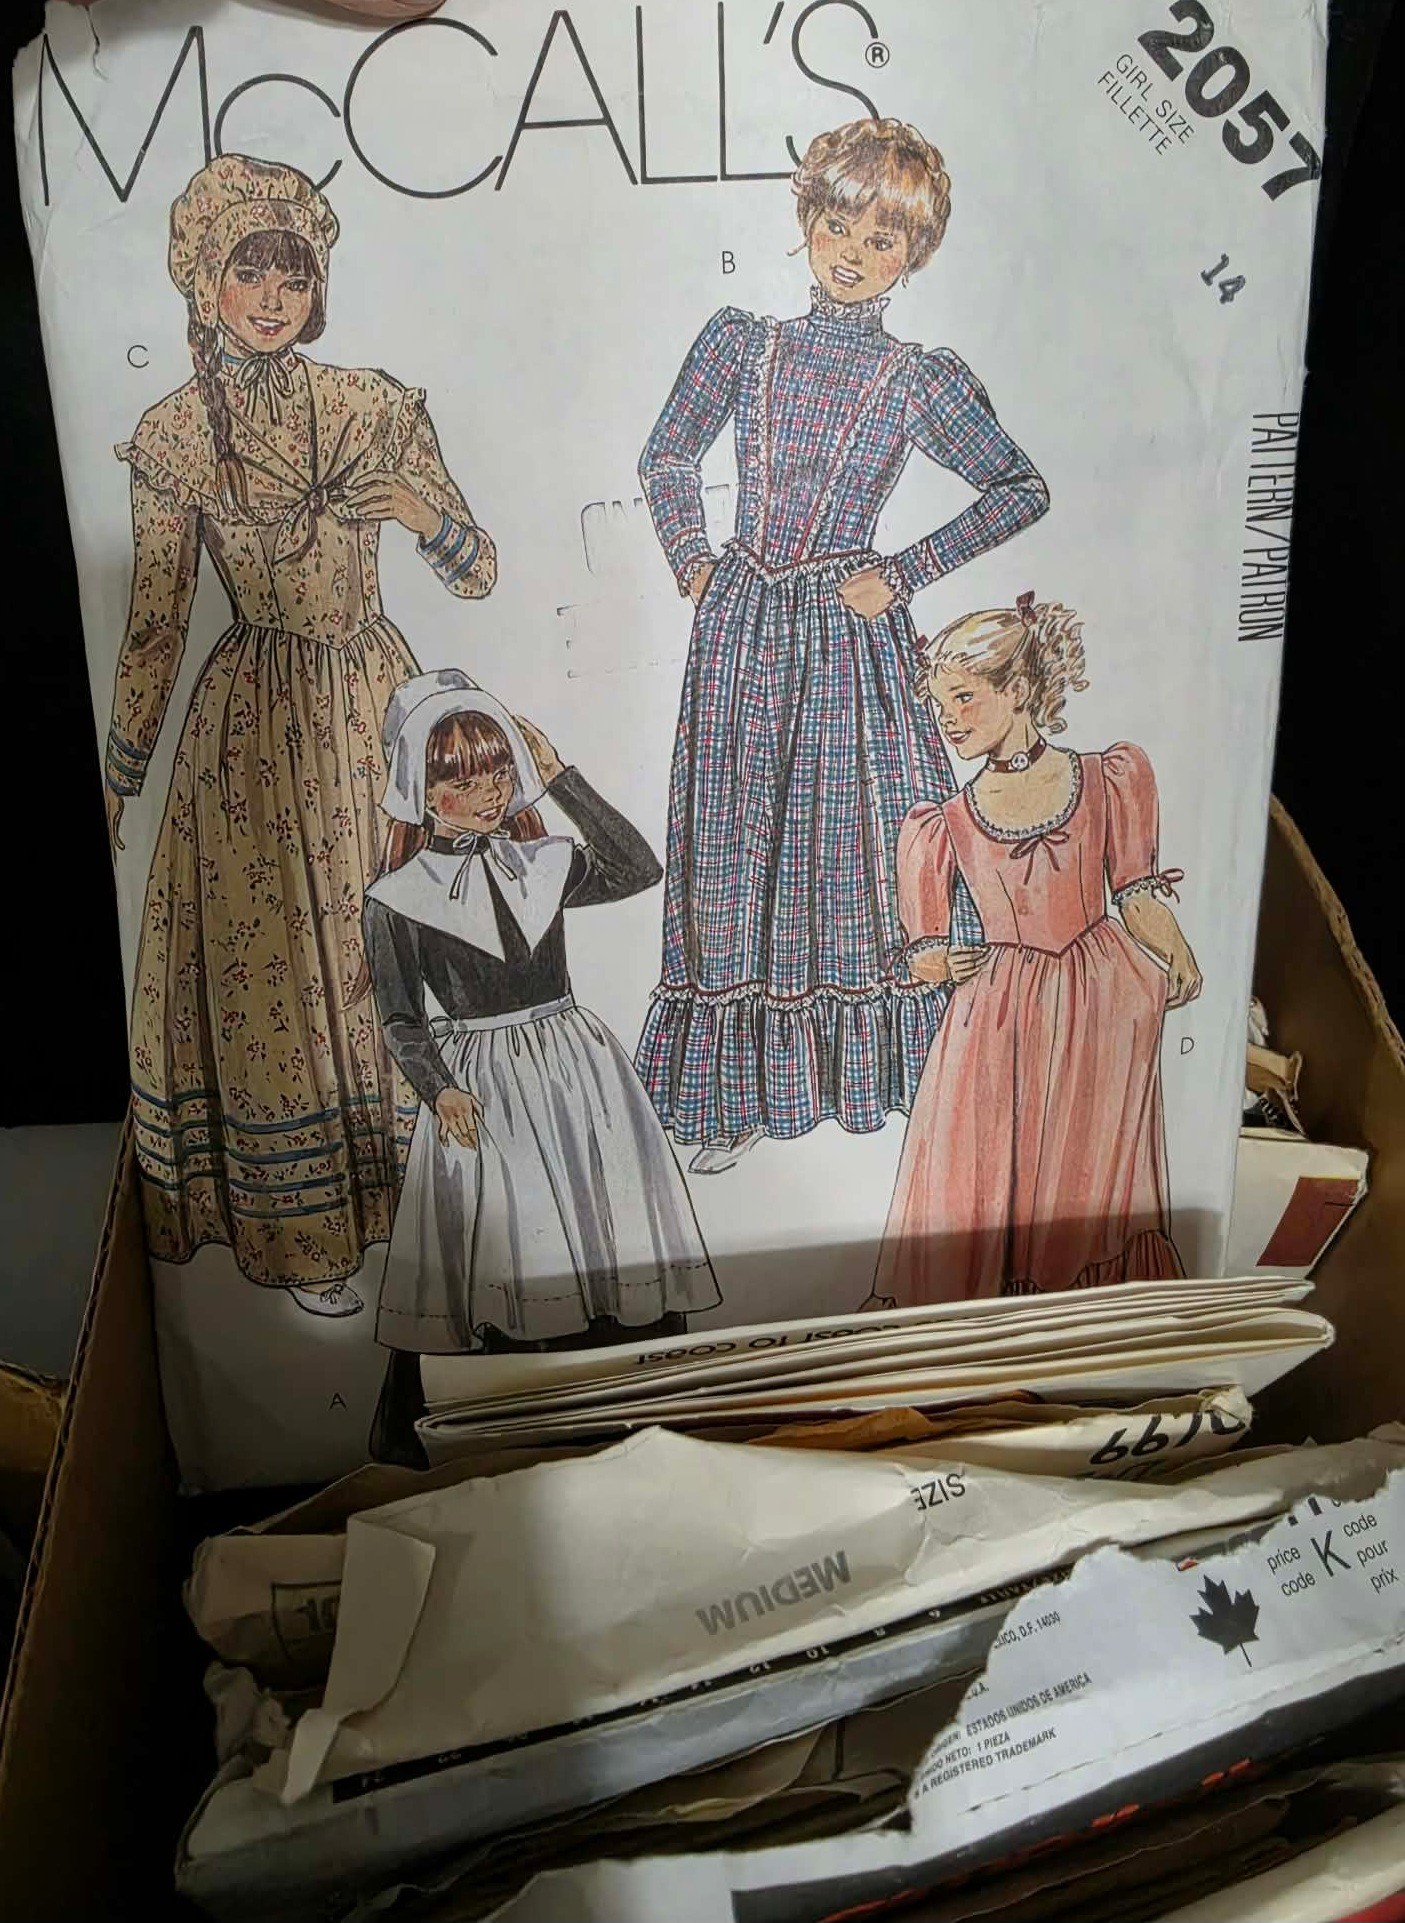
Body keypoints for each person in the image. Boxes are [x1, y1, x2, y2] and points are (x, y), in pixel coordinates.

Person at [107, 154, 496, 1304]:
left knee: (401, 947)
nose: (274, 296)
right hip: (253, 732)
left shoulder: (373, 404)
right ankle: (313, 1235)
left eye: (294, 274)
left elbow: (477, 570)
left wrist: (417, 511)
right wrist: (120, 773)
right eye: (250, 271)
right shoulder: (175, 431)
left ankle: (439, 1208)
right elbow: (155, 620)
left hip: (378, 711)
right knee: (282, 967)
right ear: (205, 282)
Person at [634, 117, 1049, 1175]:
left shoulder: (919, 378)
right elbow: (666, 454)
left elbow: (1019, 488)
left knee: (864, 848)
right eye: (838, 225)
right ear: (808, 222)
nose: (854, 253)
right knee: (731, 844)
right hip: (740, 628)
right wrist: (693, 560)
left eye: (882, 238)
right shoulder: (743, 342)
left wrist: (902, 572)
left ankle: (909, 1079)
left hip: (847, 634)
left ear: (914, 254)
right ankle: (734, 1096)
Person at [362, 671, 719, 1459]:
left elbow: (636, 867)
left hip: (575, 1070)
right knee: (509, 1243)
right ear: (421, 790)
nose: (487, 791)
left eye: (497, 769)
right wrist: (439, 1088)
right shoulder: (395, 898)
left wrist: (560, 778)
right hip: (483, 1086)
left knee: (600, 1228)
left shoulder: (541, 863)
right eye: (461, 780)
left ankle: (627, 1413)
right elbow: (400, 1017)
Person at [871, 593, 1202, 1306]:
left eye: (964, 697)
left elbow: (1134, 891)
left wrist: (1175, 949)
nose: (949, 718)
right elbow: (921, 949)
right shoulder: (941, 822)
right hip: (997, 1014)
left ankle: (1085, 1313)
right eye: (939, 705)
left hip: (1098, 1000)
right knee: (993, 1167)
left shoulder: (1109, 777)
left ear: (1018, 689)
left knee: (1084, 1173)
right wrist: (937, 962)